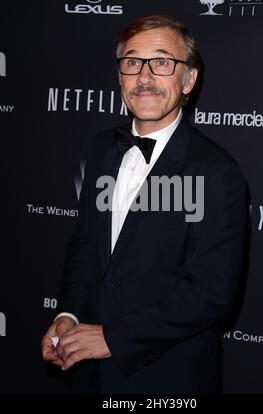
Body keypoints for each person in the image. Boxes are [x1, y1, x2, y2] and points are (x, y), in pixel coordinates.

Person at [41, 15, 246, 394]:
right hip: (88, 370)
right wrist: (68, 314)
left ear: (188, 80)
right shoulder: (102, 147)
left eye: (162, 62)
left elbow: (209, 293)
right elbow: (86, 244)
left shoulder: (217, 173)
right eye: (132, 62)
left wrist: (113, 338)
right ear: (120, 76)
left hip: (166, 377)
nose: (145, 77)